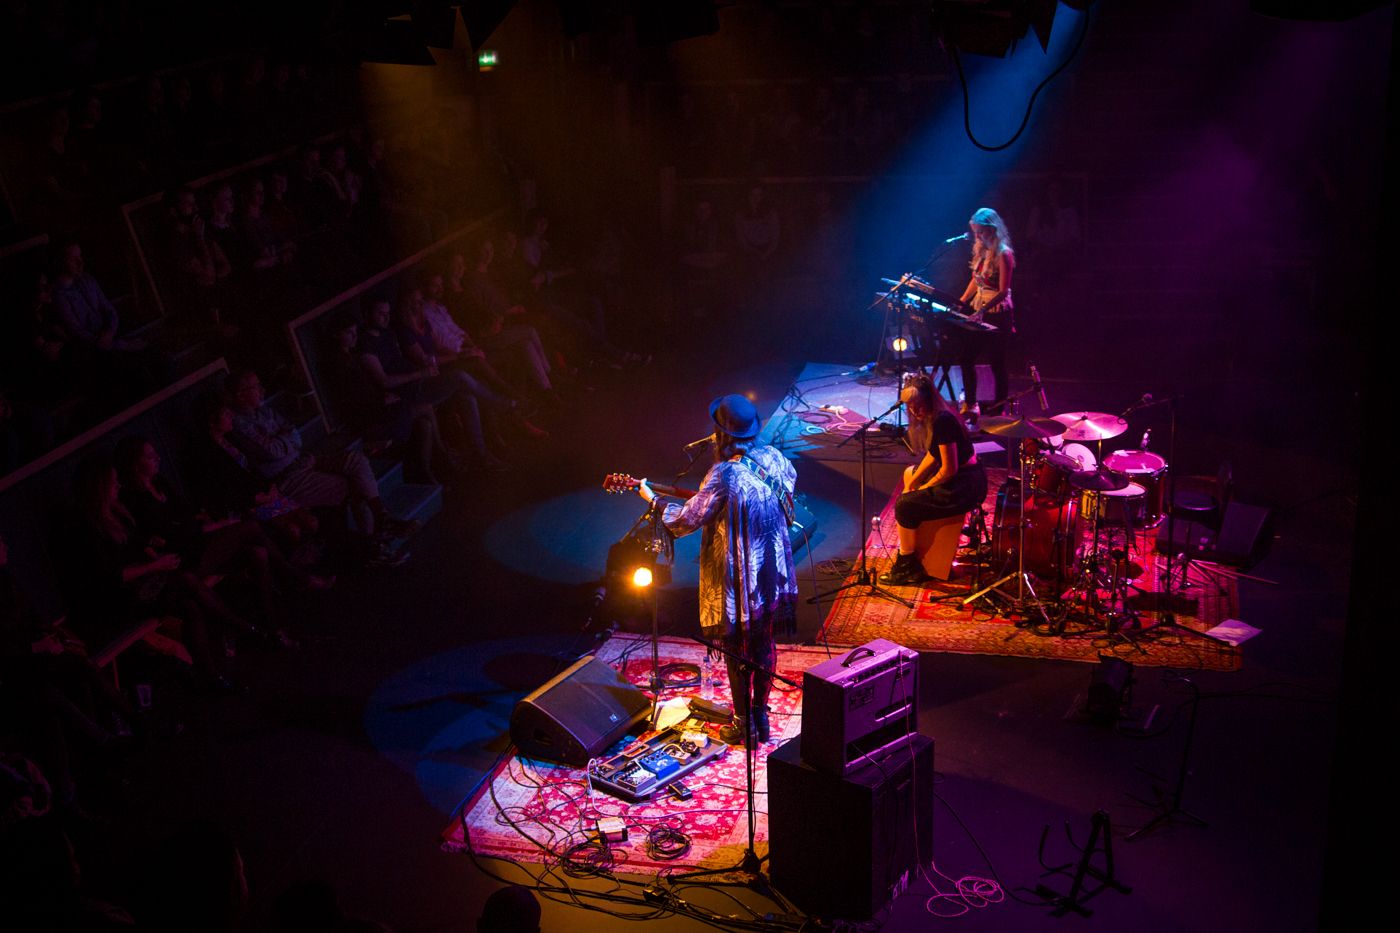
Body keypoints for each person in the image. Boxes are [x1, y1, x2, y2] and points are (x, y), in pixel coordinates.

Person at [636, 395, 796, 746]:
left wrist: (651, 498)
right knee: (764, 639)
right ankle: (761, 716)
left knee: (737, 646)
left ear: (720, 433)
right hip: (770, 568)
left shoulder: (723, 473)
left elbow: (687, 518)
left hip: (740, 573)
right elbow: (783, 489)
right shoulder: (775, 458)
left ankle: (743, 725)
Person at [879, 373, 988, 586]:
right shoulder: (936, 416)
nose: (914, 411)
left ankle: (907, 566)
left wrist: (924, 488)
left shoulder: (942, 420)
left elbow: (949, 469)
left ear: (928, 400)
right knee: (911, 475)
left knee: (904, 506)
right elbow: (933, 454)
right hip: (964, 478)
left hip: (966, 486)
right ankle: (919, 556)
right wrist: (912, 483)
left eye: (917, 406)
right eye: (910, 407)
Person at [956, 207, 1016, 416]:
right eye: (976, 232)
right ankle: (971, 403)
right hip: (979, 308)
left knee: (996, 362)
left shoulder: (1004, 254)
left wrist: (982, 310)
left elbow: (1003, 291)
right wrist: (962, 301)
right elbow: (976, 279)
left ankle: (999, 409)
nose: (978, 236)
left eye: (981, 231)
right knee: (966, 358)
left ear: (992, 230)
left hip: (997, 312)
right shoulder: (981, 252)